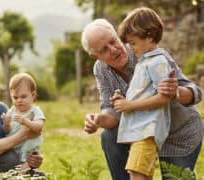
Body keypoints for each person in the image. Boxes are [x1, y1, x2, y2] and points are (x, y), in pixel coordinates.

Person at [81, 18, 204, 180]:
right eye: (104, 49)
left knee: (177, 177)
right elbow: (112, 110)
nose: (114, 49)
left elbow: (195, 92)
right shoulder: (101, 69)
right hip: (143, 133)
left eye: (113, 41)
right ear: (94, 55)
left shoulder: (147, 51)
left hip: (178, 133)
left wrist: (177, 91)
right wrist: (98, 120)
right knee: (109, 135)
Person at [109, 7, 174, 179]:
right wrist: (124, 100)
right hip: (140, 132)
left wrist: (129, 105)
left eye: (133, 43)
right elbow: (146, 94)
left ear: (150, 36)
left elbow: (163, 98)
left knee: (136, 174)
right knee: (141, 174)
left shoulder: (158, 62)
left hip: (148, 131)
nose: (131, 48)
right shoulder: (145, 62)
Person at [2, 73, 45, 173]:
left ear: (33, 95)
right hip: (14, 146)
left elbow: (39, 127)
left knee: (30, 150)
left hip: (28, 146)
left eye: (23, 96)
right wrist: (6, 124)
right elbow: (6, 131)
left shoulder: (34, 111)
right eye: (15, 98)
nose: (19, 100)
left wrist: (26, 121)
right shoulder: (11, 111)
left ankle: (26, 166)